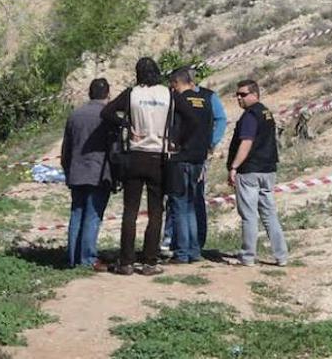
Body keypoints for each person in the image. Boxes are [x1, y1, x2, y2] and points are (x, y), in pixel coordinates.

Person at [101, 58, 197, 276]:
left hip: (134, 155)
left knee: (130, 211)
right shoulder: (168, 94)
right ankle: (150, 261)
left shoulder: (132, 94)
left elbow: (106, 113)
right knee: (156, 212)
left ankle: (126, 262)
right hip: (159, 157)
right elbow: (193, 119)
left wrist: (125, 124)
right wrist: (177, 140)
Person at [162, 68, 226, 255]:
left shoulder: (181, 100)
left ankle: (183, 249)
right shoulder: (205, 100)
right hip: (199, 157)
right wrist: (207, 143)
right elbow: (216, 120)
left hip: (183, 157)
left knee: (183, 204)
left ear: (177, 82)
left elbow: (219, 120)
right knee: (191, 203)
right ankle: (194, 248)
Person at [227, 79, 288, 267]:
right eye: (237, 94)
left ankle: (247, 256)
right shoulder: (266, 112)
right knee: (269, 214)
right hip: (268, 170)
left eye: (243, 94)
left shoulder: (250, 116)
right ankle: (281, 256)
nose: (239, 97)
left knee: (249, 215)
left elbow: (246, 142)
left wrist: (234, 167)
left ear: (255, 94)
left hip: (250, 171)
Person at [61, 78, 114, 271]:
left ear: (89, 93)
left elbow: (66, 147)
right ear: (108, 94)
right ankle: (88, 258)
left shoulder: (75, 115)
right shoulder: (107, 116)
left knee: (77, 214)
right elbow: (113, 147)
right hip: (98, 172)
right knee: (93, 215)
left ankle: (73, 258)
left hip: (76, 172)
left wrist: (67, 169)